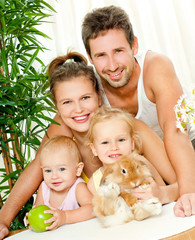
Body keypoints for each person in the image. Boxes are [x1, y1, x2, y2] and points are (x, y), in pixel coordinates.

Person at [0, 51, 176, 239]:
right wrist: (3, 220)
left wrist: (162, 193)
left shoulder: (128, 128)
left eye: (85, 98)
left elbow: (183, 183)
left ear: (99, 97)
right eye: (67, 102)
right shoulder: (63, 139)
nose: (78, 109)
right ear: (57, 108)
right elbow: (37, 167)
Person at [81, 5, 195, 217]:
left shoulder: (156, 66)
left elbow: (175, 131)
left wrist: (187, 191)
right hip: (140, 166)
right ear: (89, 56)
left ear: (134, 46)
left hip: (185, 151)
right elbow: (57, 135)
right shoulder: (89, 86)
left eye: (118, 51)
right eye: (101, 55)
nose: (112, 65)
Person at [86, 106, 178, 205]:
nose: (114, 147)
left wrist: (156, 194)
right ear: (94, 149)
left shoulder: (142, 164)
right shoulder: (94, 183)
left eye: (121, 140)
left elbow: (163, 194)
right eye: (105, 142)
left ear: (132, 143)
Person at [28, 135, 93, 230]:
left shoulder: (78, 187)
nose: (54, 176)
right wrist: (32, 218)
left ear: (78, 169)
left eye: (62, 169)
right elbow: (38, 209)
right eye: (48, 171)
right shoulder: (44, 187)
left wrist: (65, 217)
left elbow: (92, 209)